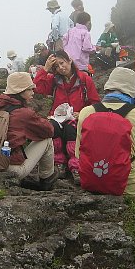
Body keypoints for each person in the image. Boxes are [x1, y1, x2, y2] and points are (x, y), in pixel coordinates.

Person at [75, 67, 135, 196]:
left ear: (108, 88)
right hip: (130, 188)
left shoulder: (86, 112)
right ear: (134, 91)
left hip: (92, 184)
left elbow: (78, 154)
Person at [33, 50, 100, 183]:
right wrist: (45, 69)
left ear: (69, 60)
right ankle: (59, 164)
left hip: (76, 118)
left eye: (62, 63)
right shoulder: (54, 80)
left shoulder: (84, 80)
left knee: (70, 130)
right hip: (57, 118)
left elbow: (95, 103)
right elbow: (37, 88)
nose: (61, 68)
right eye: (56, 66)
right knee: (52, 128)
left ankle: (76, 167)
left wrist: (81, 113)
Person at [0, 72, 57, 191]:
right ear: (21, 92)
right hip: (11, 170)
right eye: (30, 89)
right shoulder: (23, 113)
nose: (33, 92)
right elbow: (49, 131)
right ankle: (46, 180)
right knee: (47, 141)